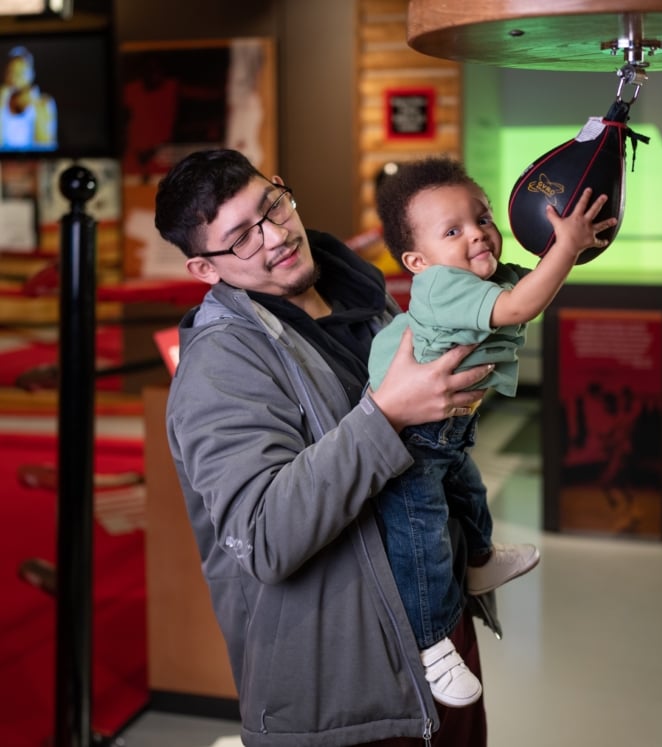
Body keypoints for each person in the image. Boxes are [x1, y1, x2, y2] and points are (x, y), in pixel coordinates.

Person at [154, 148, 512, 747]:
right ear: (205, 270)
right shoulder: (219, 367)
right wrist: (388, 414)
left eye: (271, 206)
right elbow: (264, 536)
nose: (274, 236)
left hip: (435, 622)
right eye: (241, 237)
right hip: (351, 687)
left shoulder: (362, 294)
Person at [367, 157, 617, 707]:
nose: (478, 233)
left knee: (469, 492)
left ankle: (479, 562)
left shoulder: (486, 275)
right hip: (410, 441)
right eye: (452, 231)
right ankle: (432, 647)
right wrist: (566, 248)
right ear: (418, 260)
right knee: (422, 540)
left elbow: (535, 290)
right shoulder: (440, 286)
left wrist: (570, 242)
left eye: (481, 218)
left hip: (448, 433)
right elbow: (525, 303)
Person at [0, 46, 57, 150]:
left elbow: (47, 147)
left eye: (21, 73)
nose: (15, 78)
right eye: (11, 72)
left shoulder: (43, 103)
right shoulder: (2, 101)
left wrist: (36, 109)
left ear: (31, 74)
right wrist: (2, 104)